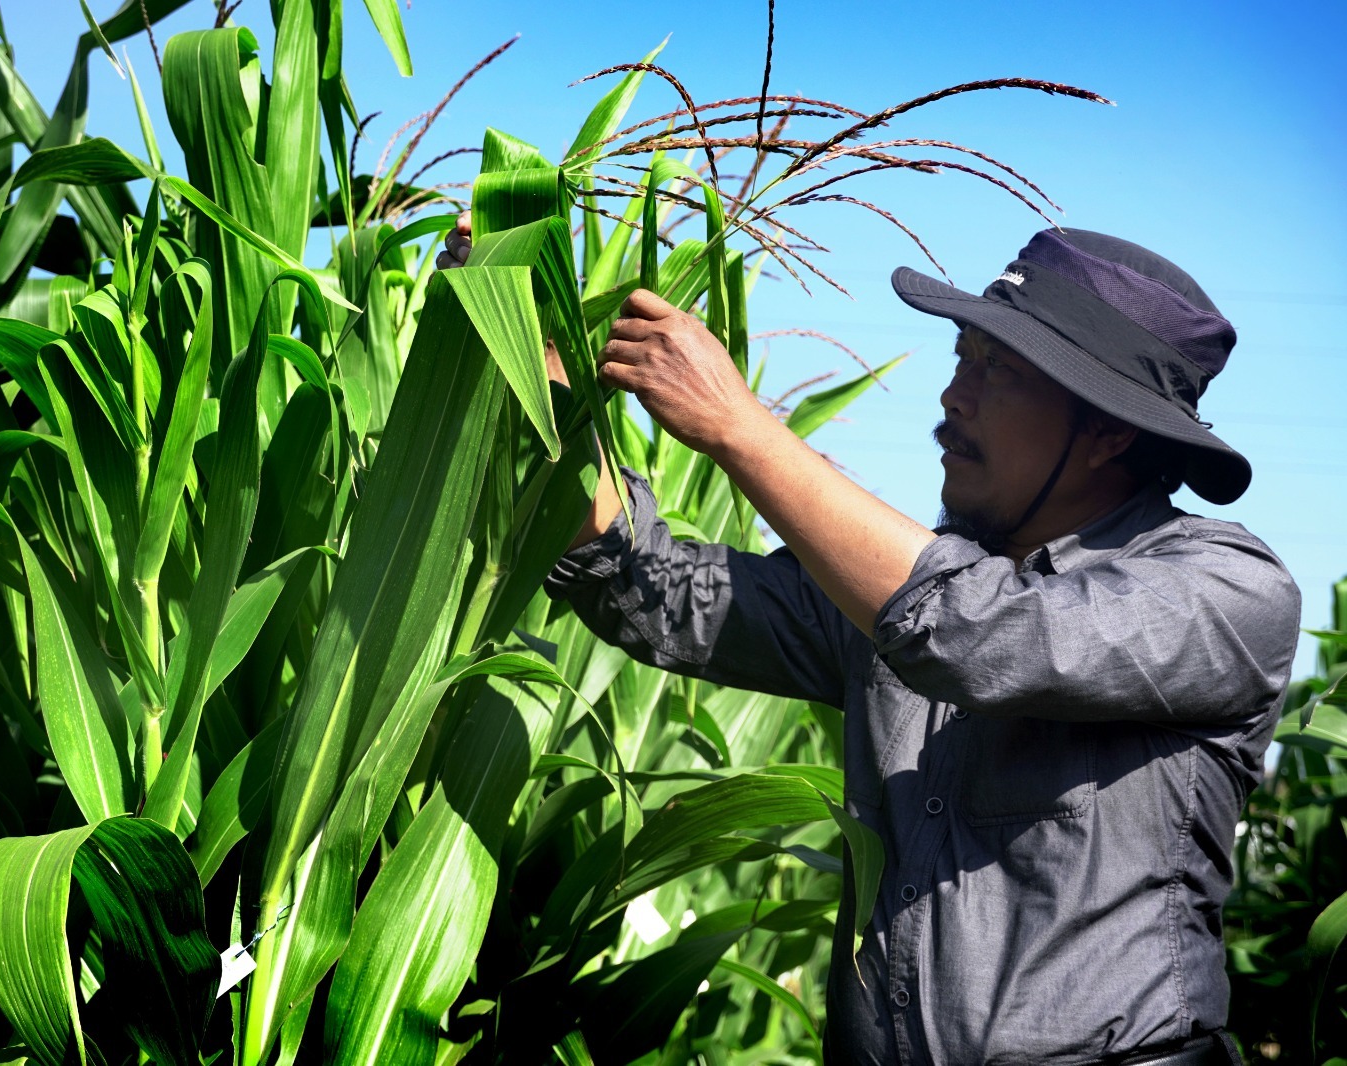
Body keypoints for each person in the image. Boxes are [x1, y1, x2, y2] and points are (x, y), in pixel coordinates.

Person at [440, 217, 1300, 1064]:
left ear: (1109, 431)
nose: (954, 397)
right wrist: (533, 370)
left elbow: (980, 636)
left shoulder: (1224, 591)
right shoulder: (891, 595)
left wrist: (741, 427)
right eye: (963, 357)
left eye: (999, 373)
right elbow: (654, 588)